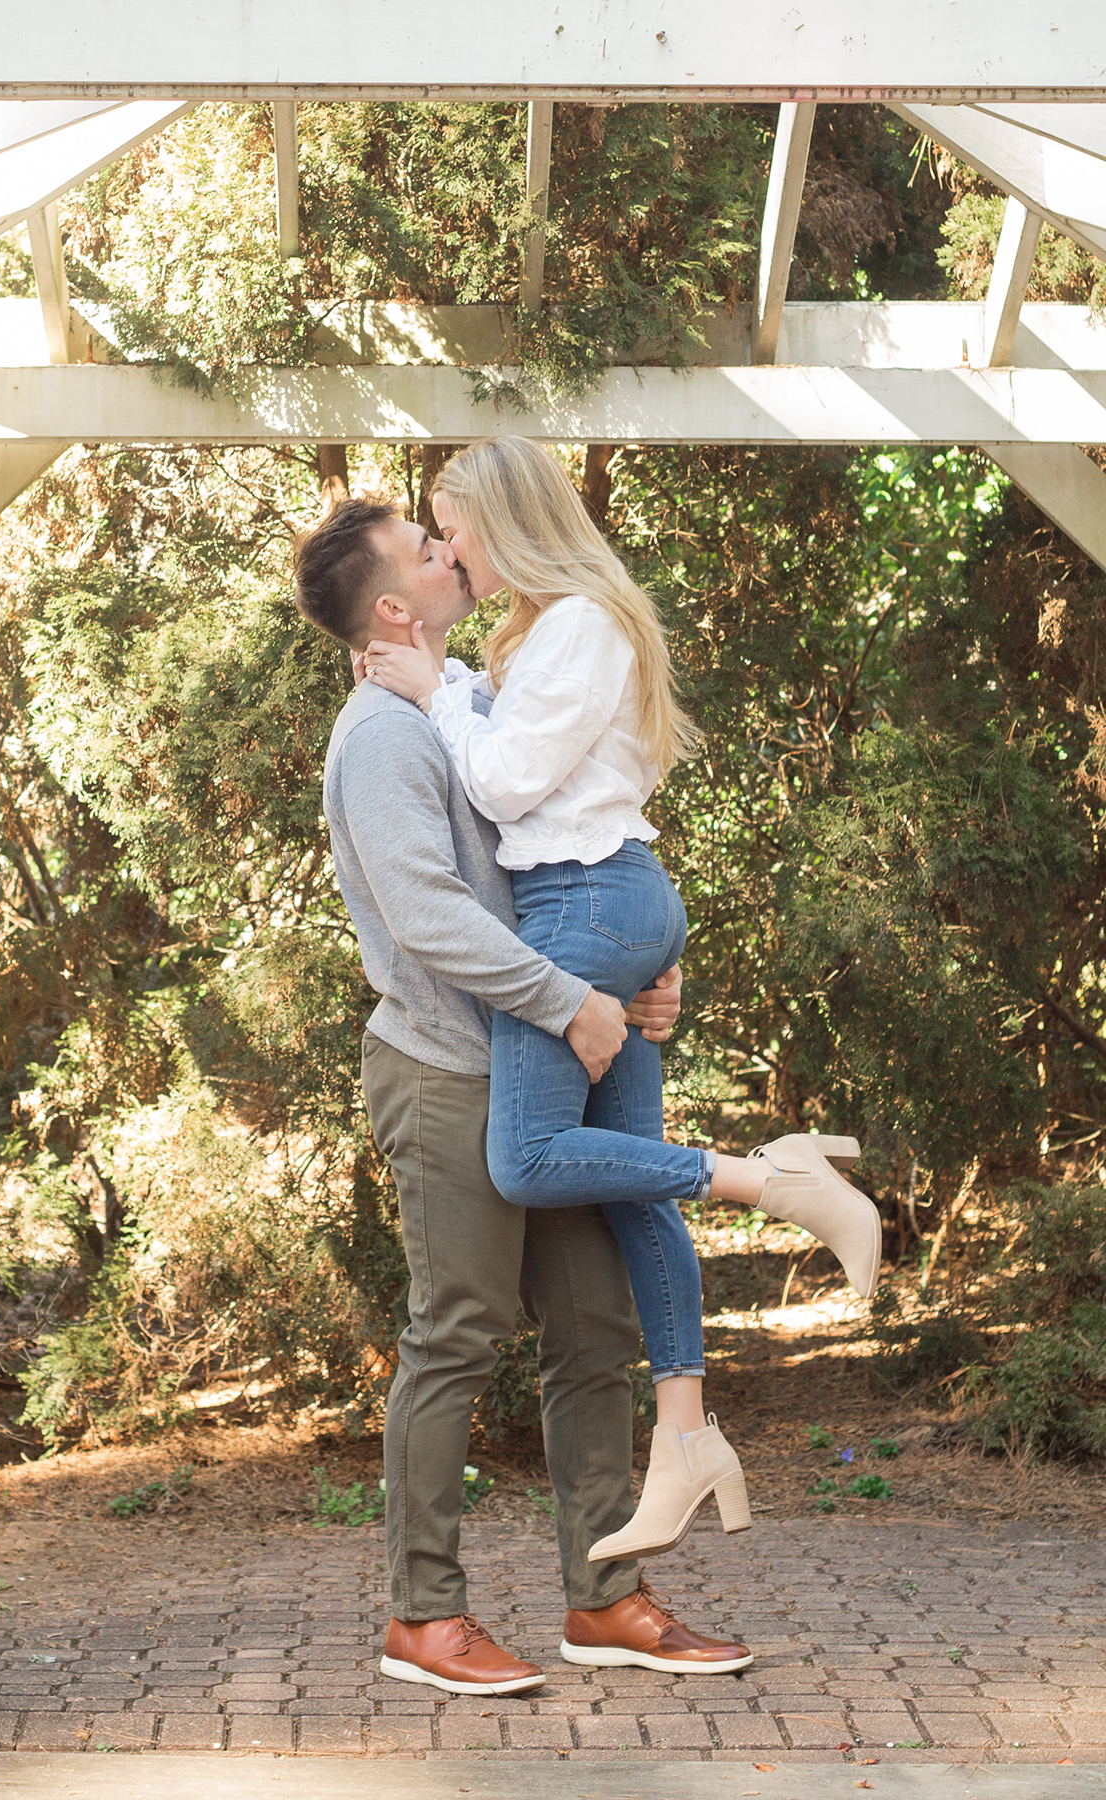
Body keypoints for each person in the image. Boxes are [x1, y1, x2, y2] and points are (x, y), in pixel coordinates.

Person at [361, 436, 882, 1568]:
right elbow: (507, 748)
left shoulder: (585, 625)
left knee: (530, 1159)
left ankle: (769, 1178)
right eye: (434, 537)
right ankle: (688, 1440)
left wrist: (433, 694)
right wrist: (441, 685)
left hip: (584, 907)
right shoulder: (539, 635)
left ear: (509, 522)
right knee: (633, 1189)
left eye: (457, 527)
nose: (450, 547)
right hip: (600, 906)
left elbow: (501, 783)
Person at [295, 496, 756, 1697]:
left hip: (535, 1063)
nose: (454, 550)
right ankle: (424, 1618)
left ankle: (603, 1597)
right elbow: (430, 916)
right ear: (396, 606)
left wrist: (631, 980)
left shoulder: (465, 709)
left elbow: (564, 861)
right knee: (456, 1334)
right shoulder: (382, 736)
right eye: (428, 546)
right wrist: (566, 1002)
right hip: (448, 1068)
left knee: (595, 1332)